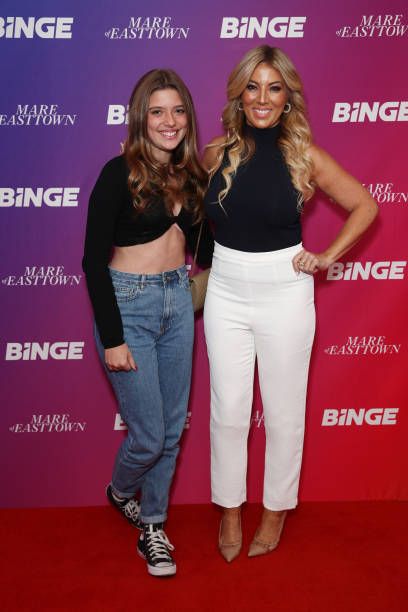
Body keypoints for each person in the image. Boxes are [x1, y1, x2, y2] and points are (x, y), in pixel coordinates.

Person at [202, 45, 377, 562]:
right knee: (229, 412)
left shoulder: (306, 156)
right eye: (252, 87)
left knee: (283, 413)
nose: (262, 98)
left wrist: (326, 257)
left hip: (285, 290)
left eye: (274, 88)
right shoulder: (214, 153)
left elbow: (365, 205)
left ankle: (276, 509)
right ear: (239, 95)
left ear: (287, 98)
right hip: (226, 290)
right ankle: (230, 508)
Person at [82, 69, 212, 577]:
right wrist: (113, 338)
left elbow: (206, 249)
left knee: (172, 431)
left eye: (177, 111)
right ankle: (121, 490)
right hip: (128, 306)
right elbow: (93, 262)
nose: (169, 121)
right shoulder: (118, 173)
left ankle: (153, 526)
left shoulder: (192, 176)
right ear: (141, 118)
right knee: (150, 437)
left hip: (177, 303)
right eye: (157, 111)